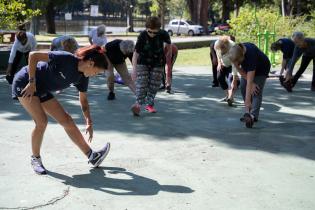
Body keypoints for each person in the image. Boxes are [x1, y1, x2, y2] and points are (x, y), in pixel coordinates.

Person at [11, 45, 110, 175]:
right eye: (96, 72)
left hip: (42, 89)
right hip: (25, 82)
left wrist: (89, 121)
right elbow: (33, 55)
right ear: (90, 63)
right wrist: (32, 82)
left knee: (67, 120)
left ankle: (93, 156)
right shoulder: (67, 59)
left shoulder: (82, 78)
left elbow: (83, 100)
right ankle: (35, 159)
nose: (95, 75)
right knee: (41, 122)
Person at [131, 16, 172, 116]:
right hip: (143, 61)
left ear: (159, 30)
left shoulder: (164, 34)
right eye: (150, 31)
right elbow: (136, 53)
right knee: (142, 83)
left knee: (154, 84)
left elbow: (169, 48)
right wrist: (134, 69)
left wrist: (168, 63)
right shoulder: (142, 36)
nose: (152, 34)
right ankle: (137, 105)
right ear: (146, 29)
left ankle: (149, 105)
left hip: (158, 61)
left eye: (155, 32)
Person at [229, 43, 271, 128]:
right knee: (243, 86)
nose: (237, 63)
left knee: (256, 90)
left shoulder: (251, 55)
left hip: (262, 69)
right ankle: (248, 113)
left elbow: (250, 82)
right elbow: (240, 71)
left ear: (242, 56)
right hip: (248, 68)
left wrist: (248, 101)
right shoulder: (235, 52)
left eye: (238, 62)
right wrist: (247, 106)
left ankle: (252, 116)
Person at [214, 35, 239, 106]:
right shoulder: (216, 44)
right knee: (219, 77)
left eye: (223, 49)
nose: (221, 50)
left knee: (231, 79)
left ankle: (231, 97)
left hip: (232, 64)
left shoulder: (233, 47)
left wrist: (235, 78)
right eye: (220, 49)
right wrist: (219, 63)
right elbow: (217, 54)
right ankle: (227, 96)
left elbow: (235, 64)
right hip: (223, 63)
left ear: (227, 46)